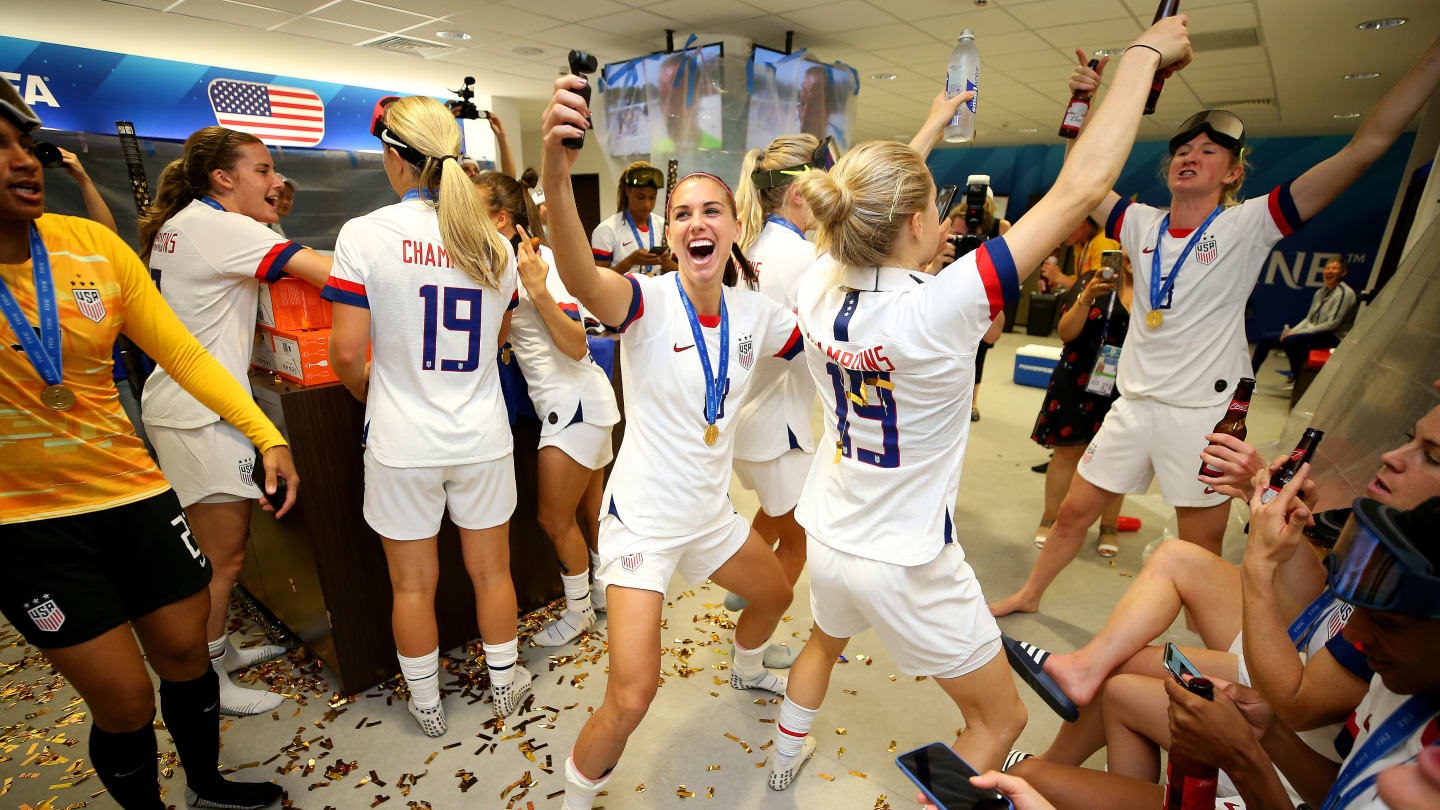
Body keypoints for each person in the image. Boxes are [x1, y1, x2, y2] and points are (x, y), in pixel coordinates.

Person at [762, 17, 1193, 790]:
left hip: (829, 531)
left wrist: (930, 125)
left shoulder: (815, 283)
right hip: (911, 561)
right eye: (936, 208)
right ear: (920, 223)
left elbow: (858, 216)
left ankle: (783, 761)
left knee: (822, 643)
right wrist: (1143, 55)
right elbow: (1082, 189)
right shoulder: (941, 307)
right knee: (1000, 722)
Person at [989, 32, 1440, 618]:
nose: (1190, 155)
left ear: (1233, 173)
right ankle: (1029, 594)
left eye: (1209, 150)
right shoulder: (1139, 223)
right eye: (1183, 148)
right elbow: (1083, 178)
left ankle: (1215, 642)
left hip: (1202, 416)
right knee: (1074, 511)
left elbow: (1365, 147)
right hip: (1133, 403)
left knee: (1197, 544)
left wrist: (1430, 61)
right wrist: (1083, 107)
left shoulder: (1250, 224)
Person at [0, 82, 296, 810]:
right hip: (29, 527)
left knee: (186, 656)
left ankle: (206, 785)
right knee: (126, 699)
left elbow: (186, 358)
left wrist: (267, 434)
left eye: (23, 145)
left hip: (134, 494)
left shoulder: (92, 247)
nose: (22, 163)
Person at [542, 74, 806, 810]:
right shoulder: (645, 303)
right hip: (645, 524)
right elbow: (576, 274)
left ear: (732, 229)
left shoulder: (757, 314)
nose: (697, 222)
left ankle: (747, 663)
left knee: (778, 590)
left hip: (709, 517)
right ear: (670, 234)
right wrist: (557, 177)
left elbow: (820, 341)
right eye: (683, 212)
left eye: (711, 210)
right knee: (632, 697)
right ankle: (573, 797)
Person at [1012, 403, 1440, 767]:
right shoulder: (1389, 536)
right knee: (1136, 629)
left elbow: (1297, 702)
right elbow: (1306, 617)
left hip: (1297, 733)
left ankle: (1047, 771)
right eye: (1409, 439)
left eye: (1432, 456)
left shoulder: (1410, 605)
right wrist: (1270, 508)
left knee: (1122, 686)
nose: (1391, 456)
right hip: (1298, 666)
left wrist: (1258, 564)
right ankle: (1069, 714)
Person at [997, 495, 1440, 810]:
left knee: (1025, 780)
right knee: (1120, 689)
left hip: (1271, 775)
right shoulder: (1400, 680)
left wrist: (1244, 755)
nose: (1356, 635)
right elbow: (1340, 788)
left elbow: (1299, 704)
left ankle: (1058, 755)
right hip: (1283, 746)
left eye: (1387, 622)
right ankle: (1078, 708)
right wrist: (1268, 735)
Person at [325, 96, 531, 736]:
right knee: (492, 571)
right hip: (481, 435)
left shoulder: (364, 235)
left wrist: (376, 394)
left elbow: (347, 355)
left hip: (401, 441)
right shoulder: (494, 246)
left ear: (395, 158)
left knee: (412, 586)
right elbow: (503, 334)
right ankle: (504, 684)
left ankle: (426, 702)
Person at [136, 126, 333, 715]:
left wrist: (267, 216)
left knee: (222, 552)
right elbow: (328, 275)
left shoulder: (186, 223)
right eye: (264, 170)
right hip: (200, 412)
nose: (277, 182)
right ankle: (205, 680)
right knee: (220, 559)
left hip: (187, 404)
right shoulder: (223, 228)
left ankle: (214, 655)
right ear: (224, 178)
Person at [473, 169, 620, 638]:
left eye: (472, 209)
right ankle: (604, 594)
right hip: (582, 403)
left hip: (573, 405)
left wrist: (536, 289)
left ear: (499, 219)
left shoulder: (535, 263)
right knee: (589, 511)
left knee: (553, 518)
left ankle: (578, 613)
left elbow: (577, 343)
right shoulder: (507, 265)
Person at [719, 134, 827, 633]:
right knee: (802, 545)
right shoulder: (804, 258)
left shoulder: (748, 248)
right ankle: (751, 652)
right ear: (798, 194)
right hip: (780, 428)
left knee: (775, 507)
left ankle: (744, 585)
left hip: (747, 421)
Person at [1029, 256, 1132, 555]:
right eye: (1126, 249)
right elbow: (1065, 331)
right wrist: (1086, 298)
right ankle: (1050, 519)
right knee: (1067, 451)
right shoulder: (1091, 279)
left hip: (1128, 382)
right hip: (1078, 376)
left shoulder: (1160, 290)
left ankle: (1109, 525)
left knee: (1117, 457)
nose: (1129, 257)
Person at [1251, 256, 1357, 381]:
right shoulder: (1320, 292)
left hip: (1332, 337)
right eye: (1327, 267)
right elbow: (1308, 319)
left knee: (1291, 342)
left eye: (1334, 268)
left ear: (1343, 273)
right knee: (1266, 339)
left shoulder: (1345, 293)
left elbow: (1333, 324)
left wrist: (1297, 334)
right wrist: (1291, 332)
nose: (1329, 271)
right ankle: (1249, 377)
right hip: (1313, 334)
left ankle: (1299, 379)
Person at [590, 161, 675, 276]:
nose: (647, 205)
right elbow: (598, 281)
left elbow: (685, 275)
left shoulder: (665, 227)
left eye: (652, 198)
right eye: (640, 197)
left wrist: (666, 262)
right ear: (627, 190)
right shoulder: (606, 231)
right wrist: (629, 262)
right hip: (623, 293)